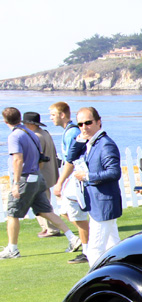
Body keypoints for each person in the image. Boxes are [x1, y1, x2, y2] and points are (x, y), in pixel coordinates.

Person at [1, 107, 79, 259]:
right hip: (37, 175)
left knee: (12, 214)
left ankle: (13, 249)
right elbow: (40, 158)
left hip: (25, 178)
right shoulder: (31, 133)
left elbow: (17, 159)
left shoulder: (15, 136)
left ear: (5, 121)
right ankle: (72, 237)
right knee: (46, 211)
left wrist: (16, 183)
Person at [66, 107, 122, 266]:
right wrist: (78, 141)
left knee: (94, 249)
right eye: (80, 124)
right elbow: (70, 158)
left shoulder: (105, 145)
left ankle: (96, 281)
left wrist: (87, 176)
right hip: (96, 202)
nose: (84, 127)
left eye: (88, 123)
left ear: (99, 122)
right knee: (114, 245)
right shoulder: (89, 143)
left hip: (104, 202)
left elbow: (114, 173)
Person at [50, 102, 90, 263]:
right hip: (74, 177)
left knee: (76, 213)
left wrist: (60, 182)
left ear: (62, 115)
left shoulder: (71, 132)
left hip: (77, 177)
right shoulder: (69, 132)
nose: (51, 118)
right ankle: (87, 239)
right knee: (66, 211)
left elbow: (71, 160)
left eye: (53, 114)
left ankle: (88, 247)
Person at [23, 112, 61, 236]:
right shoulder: (45, 133)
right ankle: (46, 227)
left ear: (30, 124)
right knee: (41, 201)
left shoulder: (36, 136)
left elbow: (37, 158)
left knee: (42, 202)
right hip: (49, 173)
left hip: (41, 174)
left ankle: (51, 228)